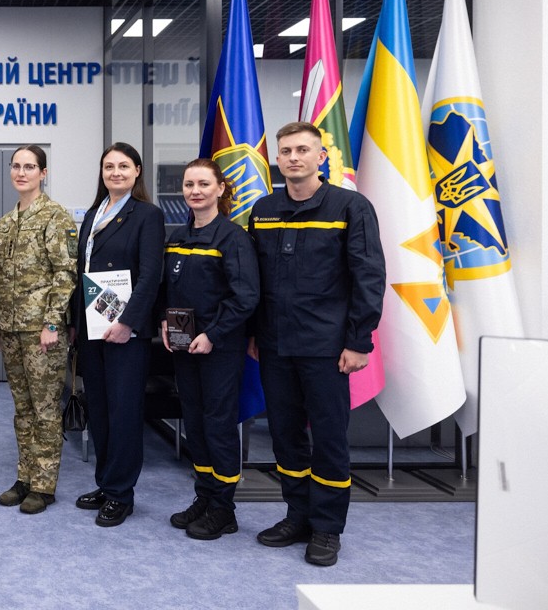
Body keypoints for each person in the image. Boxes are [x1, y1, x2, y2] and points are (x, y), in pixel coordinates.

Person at [247, 121, 385, 567]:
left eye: (303, 150)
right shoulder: (264, 210)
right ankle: (298, 515)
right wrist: (254, 333)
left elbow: (369, 277)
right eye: (286, 151)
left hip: (327, 348)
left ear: (321, 157)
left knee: (328, 440)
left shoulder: (350, 207)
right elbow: (256, 281)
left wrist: (359, 341)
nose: (293, 158)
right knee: (285, 437)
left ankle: (327, 527)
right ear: (277, 159)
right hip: (275, 345)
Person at [160, 158, 259, 540]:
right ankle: (204, 496)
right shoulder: (177, 237)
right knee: (196, 423)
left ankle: (223, 508)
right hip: (184, 346)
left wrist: (213, 334)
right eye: (189, 184)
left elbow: (245, 296)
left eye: (203, 184)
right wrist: (164, 322)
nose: (195, 191)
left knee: (218, 424)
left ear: (220, 189)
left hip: (220, 348)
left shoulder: (233, 238)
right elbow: (170, 291)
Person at [70, 142, 165, 528]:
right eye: (109, 166)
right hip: (93, 327)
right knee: (100, 409)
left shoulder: (147, 215)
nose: (116, 173)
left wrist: (128, 322)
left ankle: (121, 494)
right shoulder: (94, 213)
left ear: (137, 171)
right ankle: (106, 483)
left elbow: (151, 274)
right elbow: (83, 272)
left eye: (124, 166)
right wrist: (75, 322)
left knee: (124, 412)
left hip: (125, 331)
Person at [0, 146, 77, 514]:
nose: (21, 172)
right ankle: (24, 477)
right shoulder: (5, 222)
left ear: (43, 173)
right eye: (16, 166)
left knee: (45, 409)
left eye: (29, 167)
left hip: (42, 330)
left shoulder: (55, 216)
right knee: (22, 408)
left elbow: (66, 273)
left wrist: (53, 322)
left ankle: (43, 484)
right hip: (9, 327)